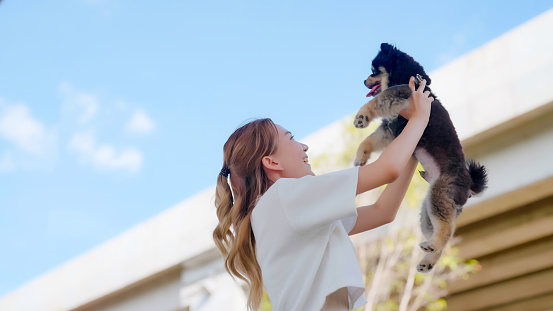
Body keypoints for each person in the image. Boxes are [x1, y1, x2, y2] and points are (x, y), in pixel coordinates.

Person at [213, 77, 433, 311]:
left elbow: (382, 212)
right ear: (271, 161)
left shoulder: (288, 210)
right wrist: (419, 119)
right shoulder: (284, 197)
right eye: (291, 138)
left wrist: (414, 141)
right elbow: (387, 170)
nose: (304, 146)